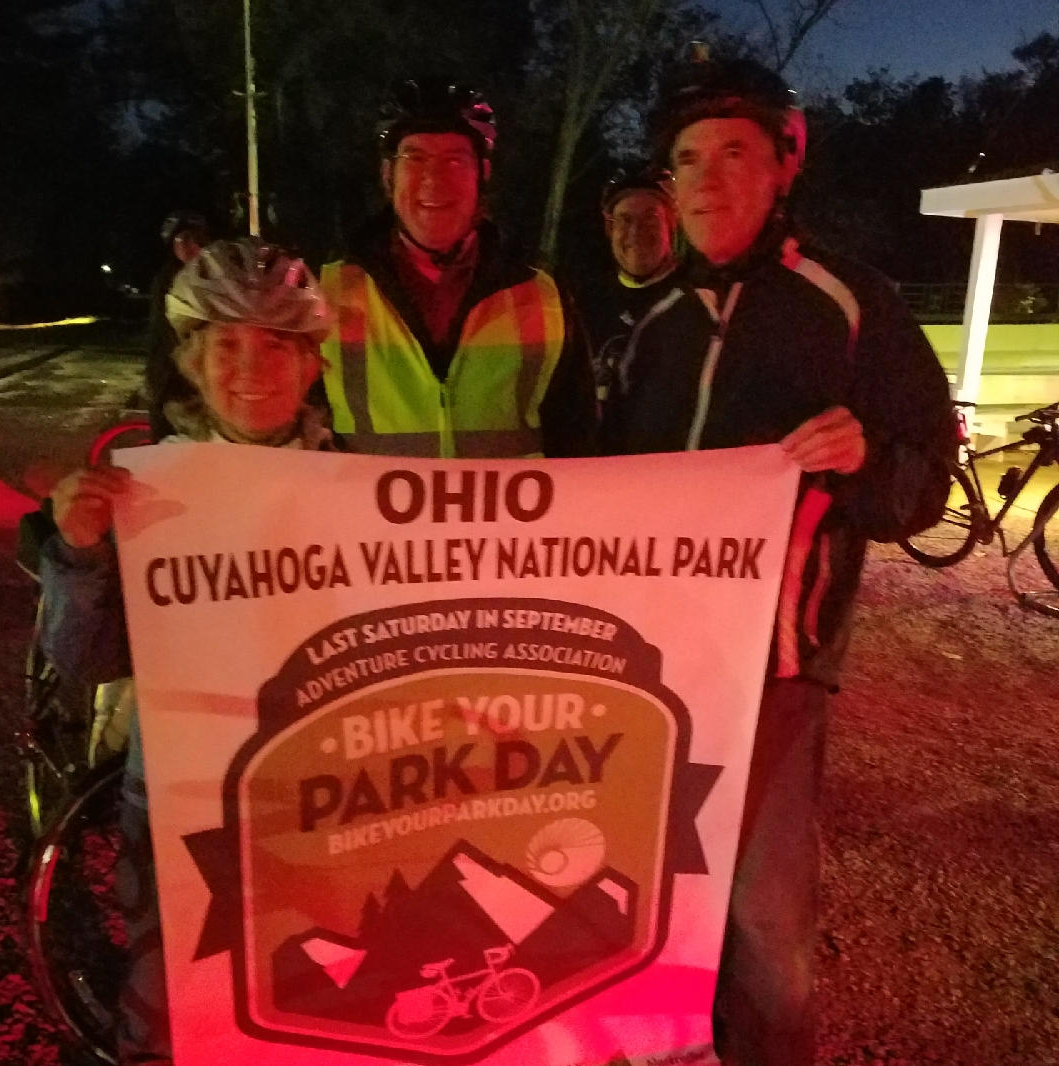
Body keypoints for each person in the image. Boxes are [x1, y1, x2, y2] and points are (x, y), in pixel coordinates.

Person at [602, 52, 956, 1066]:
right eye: (687, 160)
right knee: (645, 900)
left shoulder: (854, 302)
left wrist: (864, 459)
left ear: (782, 167)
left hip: (778, 677)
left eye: (734, 153)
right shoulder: (650, 331)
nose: (708, 179)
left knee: (764, 932)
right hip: (648, 673)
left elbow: (924, 490)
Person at [40, 238, 334, 1066]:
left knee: (321, 998)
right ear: (192, 363)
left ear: (310, 365)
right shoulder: (143, 492)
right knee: (173, 1007)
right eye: (226, 345)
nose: (251, 367)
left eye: (275, 344)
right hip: (181, 794)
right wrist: (82, 556)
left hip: (320, 798)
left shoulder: (367, 486)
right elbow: (85, 663)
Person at [318, 77, 596, 458]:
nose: (434, 178)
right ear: (388, 176)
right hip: (373, 519)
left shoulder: (543, 296)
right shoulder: (325, 294)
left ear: (482, 175)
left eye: (455, 160)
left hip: (507, 520)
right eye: (415, 158)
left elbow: (580, 446)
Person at [578, 162, 681, 406]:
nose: (636, 231)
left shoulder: (697, 301)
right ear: (609, 229)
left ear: (671, 224)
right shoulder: (585, 304)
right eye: (625, 220)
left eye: (650, 218)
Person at [145, 210, 211, 438]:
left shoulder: (204, 276)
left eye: (197, 240)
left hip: (188, 378)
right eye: (183, 239)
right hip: (171, 381)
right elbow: (170, 334)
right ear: (172, 244)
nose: (191, 246)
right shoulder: (169, 279)